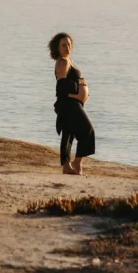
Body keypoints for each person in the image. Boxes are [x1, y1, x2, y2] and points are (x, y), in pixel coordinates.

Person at [48, 32, 95, 175]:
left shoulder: (67, 61)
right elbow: (61, 88)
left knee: (68, 134)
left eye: (69, 44)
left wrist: (81, 88)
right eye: (63, 45)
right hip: (69, 105)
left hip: (71, 104)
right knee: (88, 131)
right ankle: (76, 162)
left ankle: (67, 166)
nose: (67, 47)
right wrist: (77, 94)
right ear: (57, 48)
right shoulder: (63, 62)